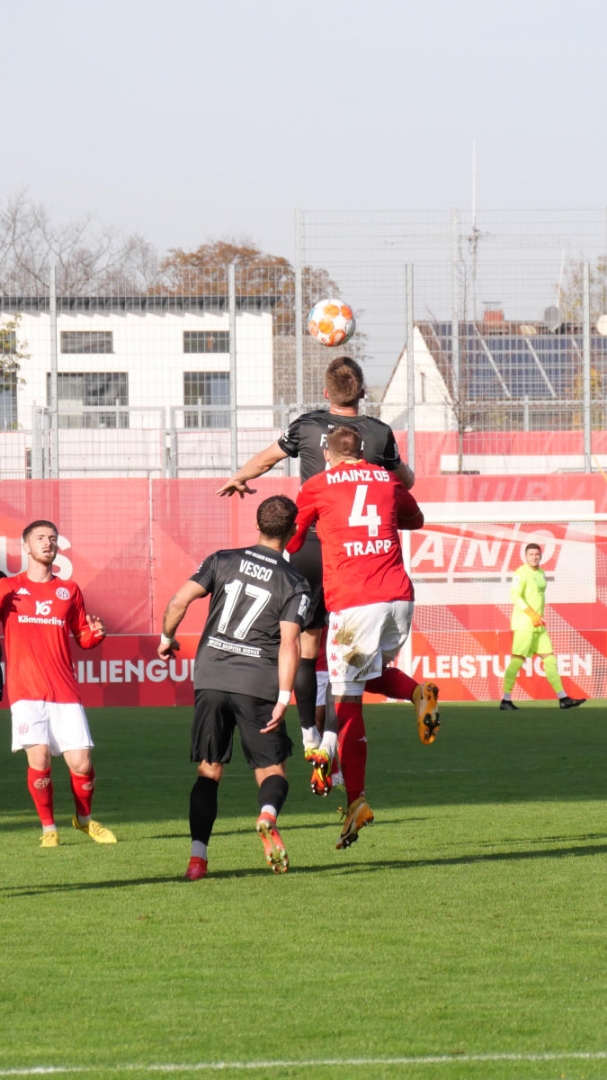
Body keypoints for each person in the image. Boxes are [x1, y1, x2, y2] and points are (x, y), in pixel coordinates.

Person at [216, 355, 416, 769]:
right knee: (355, 663)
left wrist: (240, 477)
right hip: (357, 553)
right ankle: (332, 745)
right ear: (363, 392)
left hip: (309, 546)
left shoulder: (305, 425)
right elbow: (406, 481)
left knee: (307, 647)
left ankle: (309, 735)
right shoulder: (379, 433)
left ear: (326, 392)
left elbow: (266, 459)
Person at [287, 426, 439, 850]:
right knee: (362, 675)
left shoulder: (318, 485)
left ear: (328, 454)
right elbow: (416, 519)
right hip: (399, 598)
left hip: (355, 601)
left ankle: (356, 800)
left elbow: (295, 540)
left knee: (347, 698)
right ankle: (416, 692)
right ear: (362, 452)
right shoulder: (387, 479)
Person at [158, 495, 310, 879]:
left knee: (208, 771)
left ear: (257, 524)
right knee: (272, 769)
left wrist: (166, 637)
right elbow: (290, 643)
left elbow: (179, 601)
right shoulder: (294, 582)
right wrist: (284, 697)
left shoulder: (221, 559)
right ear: (293, 532)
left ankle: (197, 859)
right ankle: (267, 815)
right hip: (256, 683)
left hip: (211, 678)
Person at [0, 520, 116, 847]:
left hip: (64, 691)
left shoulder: (70, 590)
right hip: (25, 691)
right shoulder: (7, 588)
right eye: (40, 538)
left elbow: (83, 636)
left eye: (52, 538)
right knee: (39, 761)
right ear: (26, 547)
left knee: (82, 764)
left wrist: (96, 634)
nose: (47, 543)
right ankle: (49, 829)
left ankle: (84, 821)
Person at [500, 542, 586, 711]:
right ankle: (505, 700)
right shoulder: (520, 573)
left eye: (537, 554)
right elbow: (515, 596)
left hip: (539, 625)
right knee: (517, 660)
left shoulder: (541, 573)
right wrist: (531, 614)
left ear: (541, 556)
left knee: (550, 660)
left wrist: (538, 617)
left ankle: (563, 699)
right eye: (531, 554)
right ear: (525, 556)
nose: (534, 557)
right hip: (524, 624)